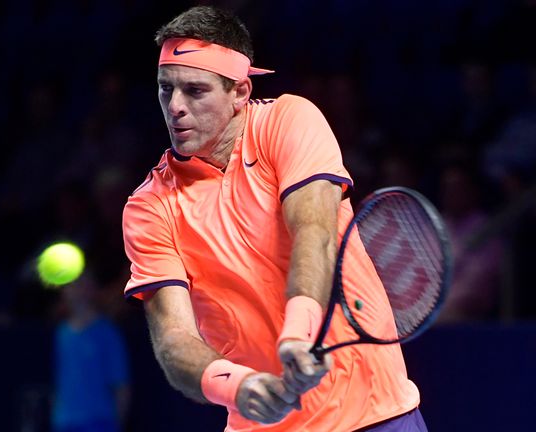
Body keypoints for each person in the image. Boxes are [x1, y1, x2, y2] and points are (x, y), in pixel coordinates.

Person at [121, 6, 426, 431]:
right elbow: (174, 340)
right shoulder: (149, 207)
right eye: (164, 89)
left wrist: (298, 334)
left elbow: (314, 233)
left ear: (240, 92)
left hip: (376, 415)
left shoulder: (289, 120)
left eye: (195, 91)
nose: (175, 107)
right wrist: (238, 386)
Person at [51, 271, 131, 432]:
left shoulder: (107, 332)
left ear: (92, 289)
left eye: (81, 283)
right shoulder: (61, 333)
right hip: (65, 422)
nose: (75, 289)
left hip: (100, 422)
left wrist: (115, 423)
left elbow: (122, 385)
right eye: (70, 285)